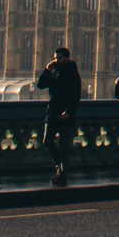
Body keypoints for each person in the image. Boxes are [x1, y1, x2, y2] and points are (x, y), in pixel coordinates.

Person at [34, 46, 81, 185]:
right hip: (53, 111)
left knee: (64, 145)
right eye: (55, 57)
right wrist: (47, 70)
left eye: (59, 58)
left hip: (65, 113)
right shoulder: (54, 71)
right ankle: (59, 167)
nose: (56, 60)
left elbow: (76, 95)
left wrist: (69, 111)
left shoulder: (73, 73)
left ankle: (62, 174)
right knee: (47, 141)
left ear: (67, 58)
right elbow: (40, 85)